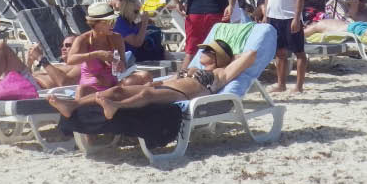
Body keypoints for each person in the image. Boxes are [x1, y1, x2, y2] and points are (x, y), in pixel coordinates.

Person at [48, 45, 232, 119]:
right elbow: (173, 79)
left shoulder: (220, 73)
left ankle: (116, 106)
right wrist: (154, 83)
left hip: (182, 94)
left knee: (146, 94)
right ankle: (73, 105)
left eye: (207, 50)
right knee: (118, 90)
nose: (201, 52)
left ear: (218, 56)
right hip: (165, 87)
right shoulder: (193, 68)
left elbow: (246, 58)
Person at [64, 0, 129, 96]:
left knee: (143, 76)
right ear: (94, 23)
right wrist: (96, 54)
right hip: (92, 89)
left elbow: (123, 66)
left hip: (114, 86)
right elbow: (70, 60)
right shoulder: (83, 40)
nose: (113, 24)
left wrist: (120, 64)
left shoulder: (117, 38)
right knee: (81, 90)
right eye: (109, 21)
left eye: (114, 20)